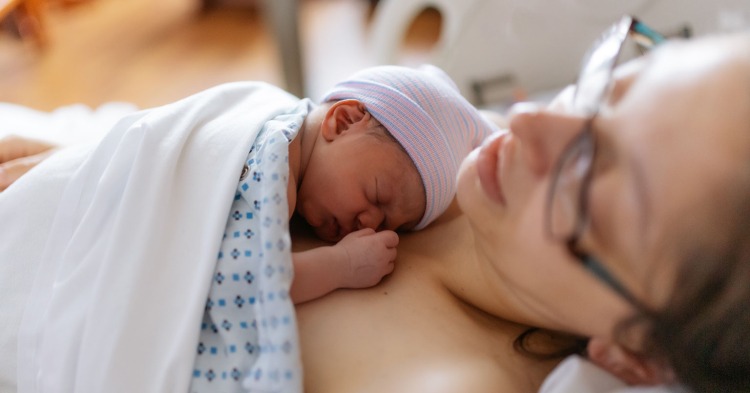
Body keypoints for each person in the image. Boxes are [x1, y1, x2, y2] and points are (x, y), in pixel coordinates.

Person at [3, 19, 750, 393]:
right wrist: (82, 175)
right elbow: (211, 145)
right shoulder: (455, 147)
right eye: (611, 89)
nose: (532, 122)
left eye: (590, 181)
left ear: (636, 352)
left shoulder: (434, 379)